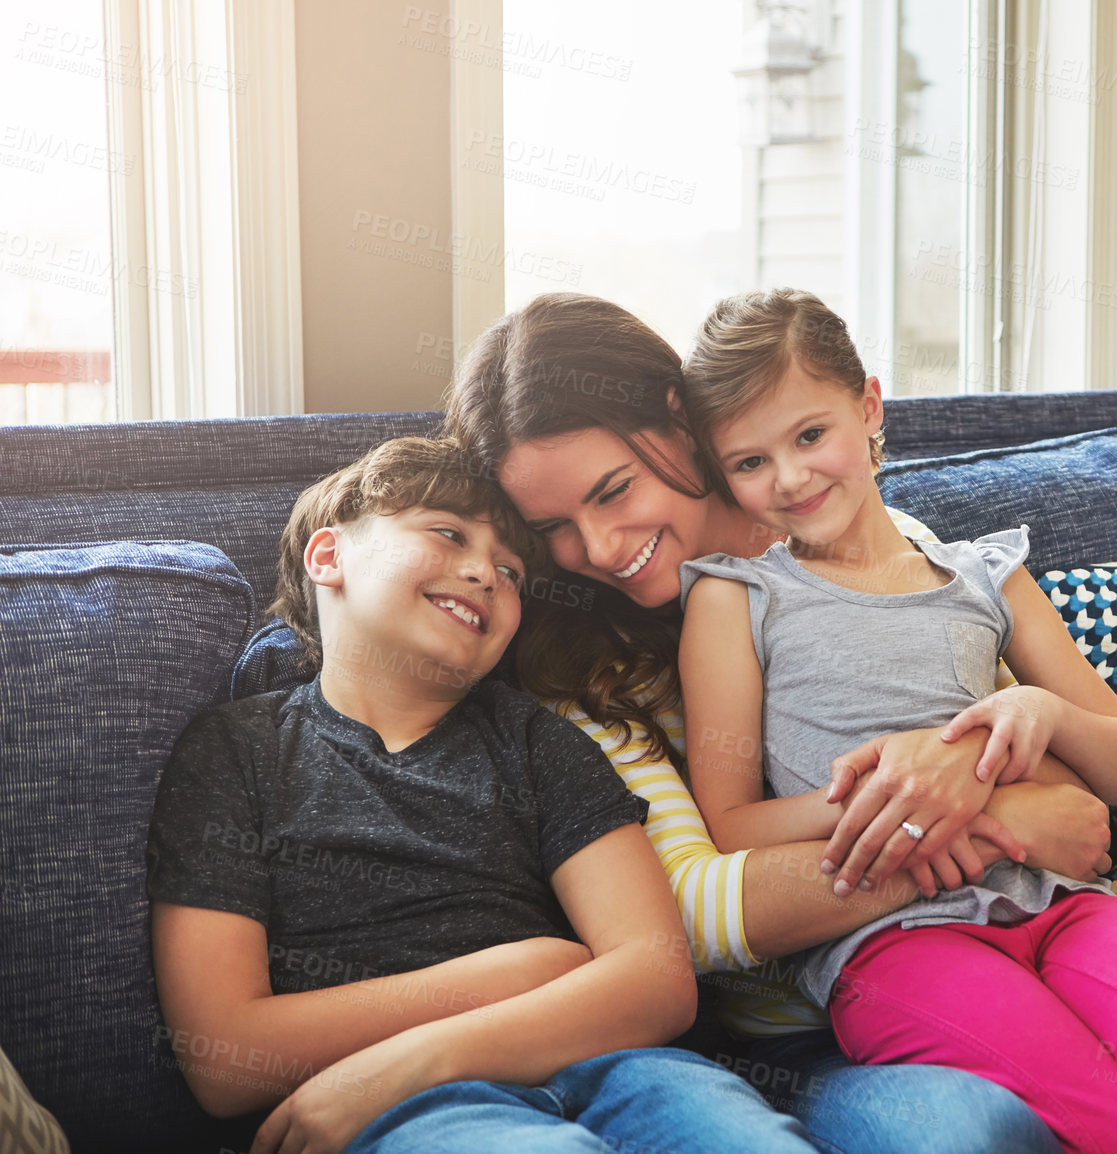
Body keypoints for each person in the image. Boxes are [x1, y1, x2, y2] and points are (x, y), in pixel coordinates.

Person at [448, 292, 1117, 1154]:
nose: (599, 544)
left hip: (1052, 913)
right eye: (554, 529)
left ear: (678, 422)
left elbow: (1077, 780)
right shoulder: (583, 672)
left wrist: (996, 771)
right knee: (971, 1126)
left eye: (612, 490)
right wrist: (988, 820)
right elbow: (696, 909)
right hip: (822, 1009)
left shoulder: (898, 545)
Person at [671, 287, 1117, 1154]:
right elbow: (731, 827)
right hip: (889, 941)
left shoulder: (986, 576)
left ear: (867, 406)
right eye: (749, 463)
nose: (788, 479)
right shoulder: (735, 597)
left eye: (809, 435)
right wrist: (924, 795)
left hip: (1066, 901)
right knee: (1101, 1116)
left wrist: (1037, 708)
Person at [146, 436, 817, 1154]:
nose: (484, 573)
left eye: (511, 570)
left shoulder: (539, 743)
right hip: (411, 1112)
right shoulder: (237, 750)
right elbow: (222, 1055)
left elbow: (657, 979)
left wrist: (416, 1054)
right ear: (329, 556)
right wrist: (510, 972)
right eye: (447, 534)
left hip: (620, 1069)